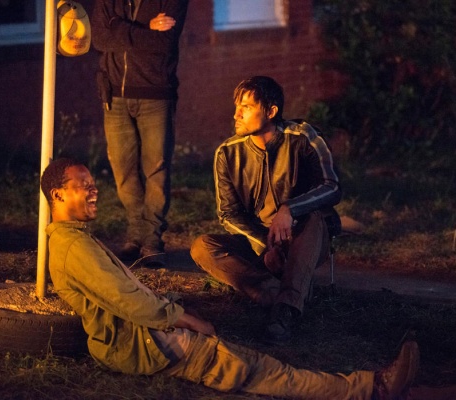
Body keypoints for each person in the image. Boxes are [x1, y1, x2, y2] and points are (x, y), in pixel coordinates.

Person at [41, 157, 419, 400]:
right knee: (259, 371)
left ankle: (366, 385)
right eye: (83, 185)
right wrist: (187, 320)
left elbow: (122, 295)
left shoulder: (74, 240)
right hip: (143, 346)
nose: (94, 190)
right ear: (58, 195)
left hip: (145, 336)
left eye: (92, 183)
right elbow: (128, 300)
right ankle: (373, 388)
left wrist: (172, 306)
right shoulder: (73, 247)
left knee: (257, 363)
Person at [190, 76, 342, 344]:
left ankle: (286, 311)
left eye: (246, 107)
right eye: (237, 106)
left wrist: (289, 209)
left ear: (271, 111)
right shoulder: (228, 153)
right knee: (202, 247)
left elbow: (333, 186)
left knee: (315, 217)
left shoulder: (303, 137)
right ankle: (270, 291)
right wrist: (265, 246)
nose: (236, 114)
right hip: (259, 242)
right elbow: (228, 214)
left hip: (304, 237)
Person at [91, 0, 189, 266]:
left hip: (156, 94)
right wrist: (146, 27)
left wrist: (117, 27)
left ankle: (152, 241)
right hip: (114, 95)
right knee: (123, 170)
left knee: (156, 170)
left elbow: (163, 43)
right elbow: (99, 39)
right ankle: (136, 235)